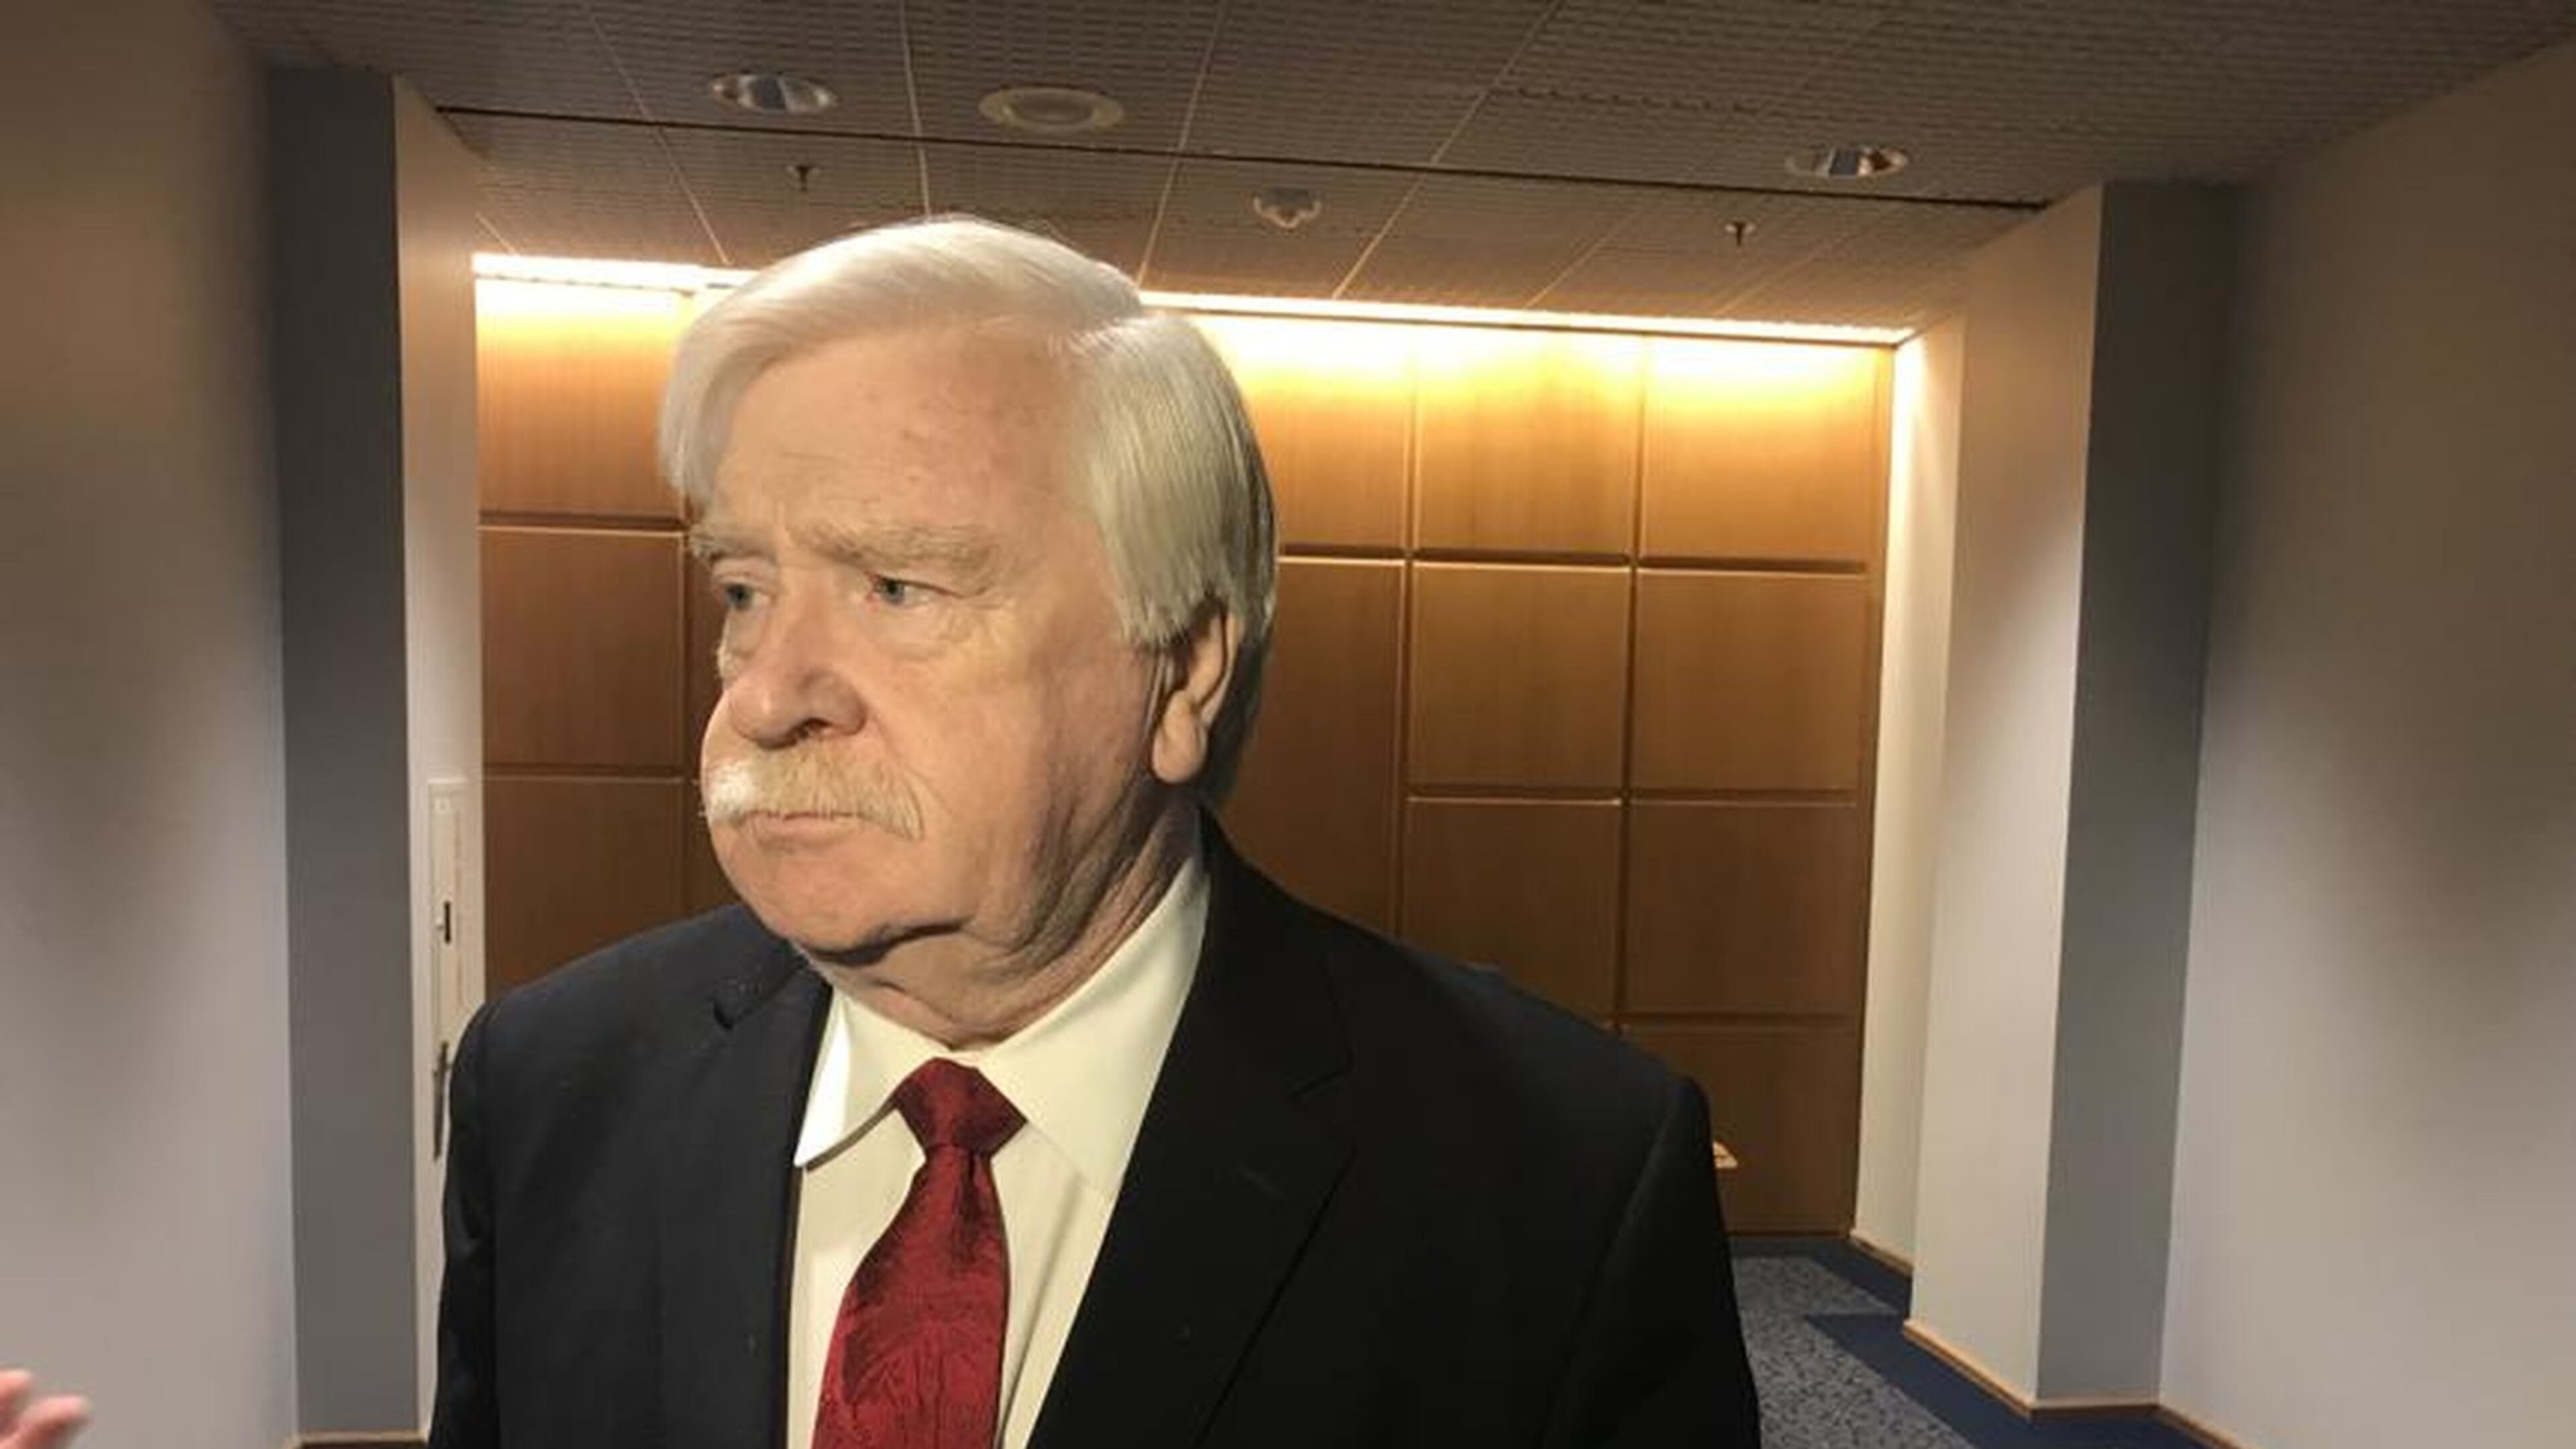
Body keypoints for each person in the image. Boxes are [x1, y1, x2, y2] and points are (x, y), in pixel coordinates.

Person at [429, 217, 1761, 1448]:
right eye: (743, 589)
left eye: (897, 587)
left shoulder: (1560, 1185)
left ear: (1179, 675)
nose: (765, 696)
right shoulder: (550, 1087)